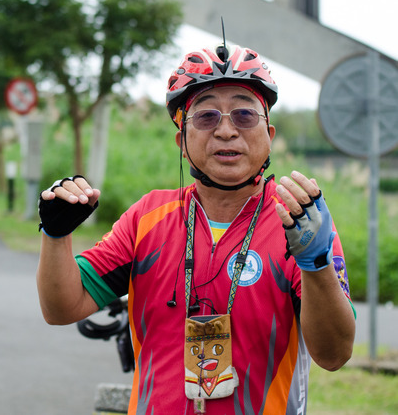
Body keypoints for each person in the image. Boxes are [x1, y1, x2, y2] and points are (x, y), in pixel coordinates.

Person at [36, 42, 355, 414]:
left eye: (244, 116)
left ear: (268, 134)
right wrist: (56, 234)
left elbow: (334, 355)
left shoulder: (301, 223)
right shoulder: (147, 217)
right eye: (205, 118)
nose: (225, 131)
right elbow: (61, 308)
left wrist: (315, 263)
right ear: (182, 142)